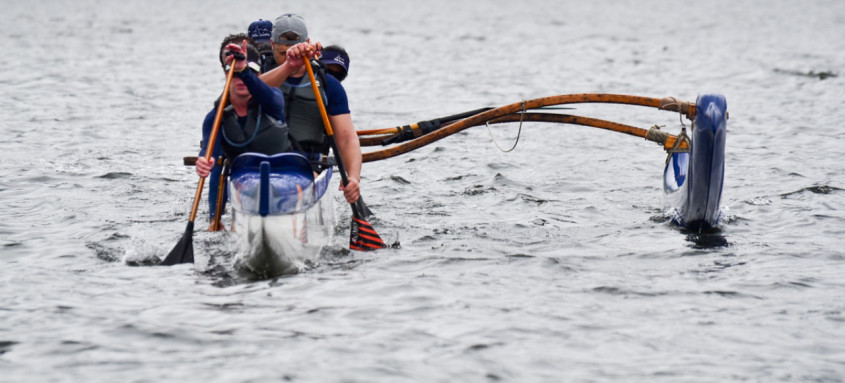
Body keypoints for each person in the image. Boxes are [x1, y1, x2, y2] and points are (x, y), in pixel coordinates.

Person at [260, 14, 362, 205]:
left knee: (302, 176)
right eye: (282, 53)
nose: (287, 57)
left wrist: (354, 177)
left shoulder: (329, 85)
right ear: (271, 44)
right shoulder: (258, 73)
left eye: (292, 52)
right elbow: (252, 93)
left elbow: (347, 139)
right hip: (260, 164)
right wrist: (289, 67)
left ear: (307, 44)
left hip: (307, 164)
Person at [196, 34, 295, 225]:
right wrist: (203, 161)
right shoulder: (215, 118)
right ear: (225, 74)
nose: (240, 79)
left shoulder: (272, 100)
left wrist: (243, 71)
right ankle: (217, 221)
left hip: (285, 180)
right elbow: (209, 153)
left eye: (249, 72)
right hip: (246, 185)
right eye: (234, 73)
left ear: (258, 74)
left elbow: (267, 95)